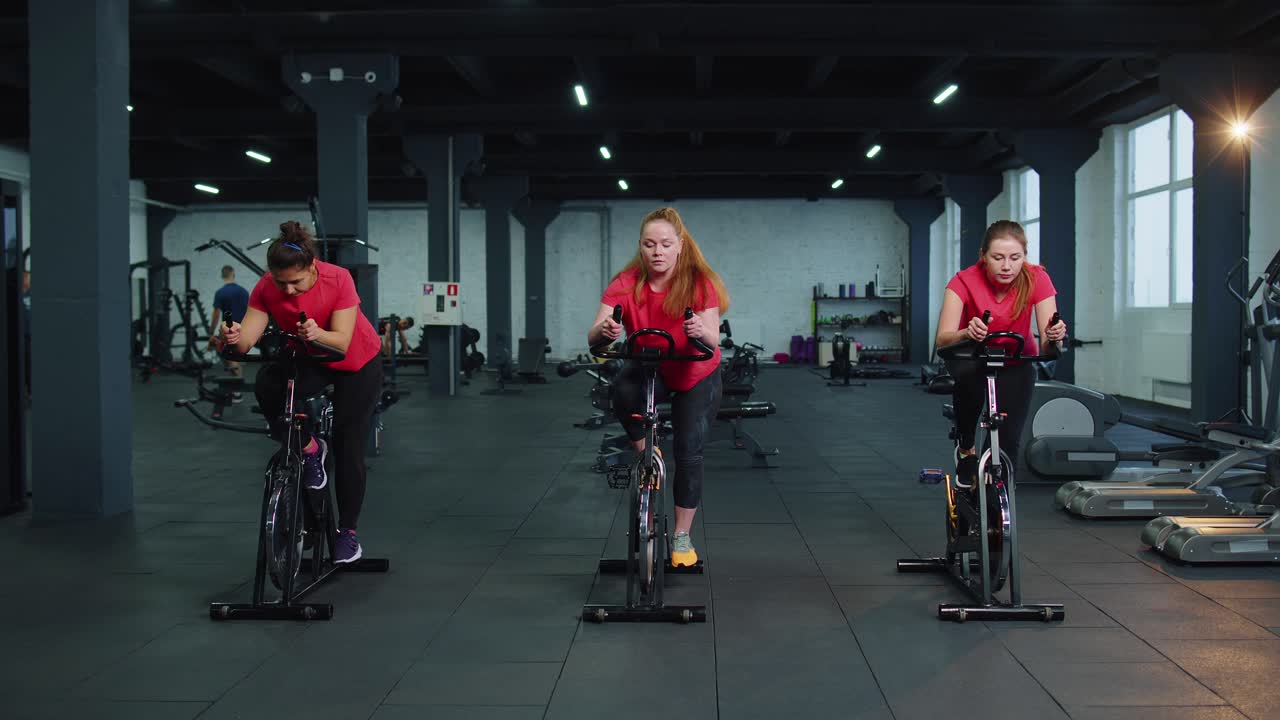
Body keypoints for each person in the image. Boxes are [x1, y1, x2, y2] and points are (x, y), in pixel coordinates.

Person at [221, 221, 384, 564]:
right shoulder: (267, 287)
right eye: (282, 282)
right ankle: (310, 449)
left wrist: (316, 333)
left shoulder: (338, 279)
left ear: (312, 268)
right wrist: (233, 338)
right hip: (311, 357)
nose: (288, 290)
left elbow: (341, 342)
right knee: (268, 384)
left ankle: (348, 534)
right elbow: (246, 341)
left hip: (356, 360)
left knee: (347, 442)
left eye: (295, 282)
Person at [586, 207, 729, 569]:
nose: (657, 251)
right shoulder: (626, 283)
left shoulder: (698, 283)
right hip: (652, 367)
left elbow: (713, 340)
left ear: (680, 246)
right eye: (649, 244)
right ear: (641, 246)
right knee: (621, 391)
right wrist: (605, 332)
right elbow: (595, 338)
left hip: (695, 371)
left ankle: (681, 536)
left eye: (665, 244)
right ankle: (648, 453)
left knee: (689, 451)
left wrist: (700, 331)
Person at [935, 220, 1068, 485]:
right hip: (973, 358)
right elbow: (942, 339)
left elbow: (1049, 348)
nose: (1007, 266)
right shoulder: (963, 281)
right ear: (983, 256)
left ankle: (996, 493)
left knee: (1007, 439)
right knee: (968, 381)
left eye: (1015, 258)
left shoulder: (1037, 278)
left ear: (1024, 256)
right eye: (998, 258)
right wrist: (966, 332)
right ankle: (966, 447)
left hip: (1016, 360)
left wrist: (1055, 337)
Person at [209, 265, 250, 379]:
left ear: (222, 276)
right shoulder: (244, 292)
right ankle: (236, 379)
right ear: (233, 274)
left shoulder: (221, 292)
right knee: (232, 355)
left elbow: (216, 314)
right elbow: (250, 311)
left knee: (229, 355)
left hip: (229, 329)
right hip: (244, 328)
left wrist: (211, 331)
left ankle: (237, 382)